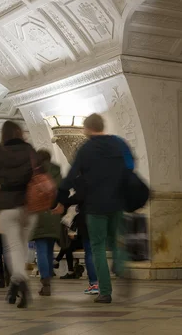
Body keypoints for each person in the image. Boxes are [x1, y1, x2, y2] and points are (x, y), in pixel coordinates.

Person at [53, 113, 133, 303]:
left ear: (87, 129)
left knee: (97, 247)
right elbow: (130, 166)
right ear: (102, 125)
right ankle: (121, 268)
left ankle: (105, 292)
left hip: (95, 205)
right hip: (117, 202)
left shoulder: (86, 149)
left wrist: (60, 200)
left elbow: (71, 176)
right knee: (115, 241)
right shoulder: (118, 143)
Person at [0, 120, 37, 308]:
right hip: (29, 204)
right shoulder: (29, 150)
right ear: (19, 132)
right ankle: (16, 284)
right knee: (22, 246)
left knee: (13, 247)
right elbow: (36, 172)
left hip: (8, 205)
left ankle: (20, 282)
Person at [30, 150, 61, 297]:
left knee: (41, 249)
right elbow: (62, 192)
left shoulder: (35, 173)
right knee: (49, 249)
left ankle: (46, 283)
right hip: (54, 215)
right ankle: (48, 280)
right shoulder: (57, 172)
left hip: (38, 215)